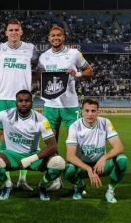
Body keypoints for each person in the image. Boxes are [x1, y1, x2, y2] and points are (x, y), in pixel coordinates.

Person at [0, 90, 65, 201]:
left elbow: (53, 146)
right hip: (11, 155)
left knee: (59, 163)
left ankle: (42, 185)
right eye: (20, 101)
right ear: (16, 102)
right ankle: (8, 185)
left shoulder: (41, 120)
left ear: (32, 102)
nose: (23, 103)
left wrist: (30, 159)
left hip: (33, 155)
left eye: (27, 101)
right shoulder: (6, 114)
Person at [38, 25, 94, 191]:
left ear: (63, 38)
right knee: (51, 144)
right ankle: (55, 179)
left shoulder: (74, 54)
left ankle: (75, 179)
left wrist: (77, 74)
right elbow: (40, 76)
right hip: (50, 105)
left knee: (74, 143)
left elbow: (90, 71)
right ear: (49, 38)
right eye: (53, 35)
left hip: (70, 105)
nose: (56, 38)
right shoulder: (43, 57)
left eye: (59, 35)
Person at [0, 19, 39, 191]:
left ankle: (22, 178)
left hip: (24, 98)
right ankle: (7, 179)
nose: (13, 32)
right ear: (6, 33)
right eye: (10, 30)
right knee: (3, 138)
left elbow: (38, 67)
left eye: (16, 30)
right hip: (4, 97)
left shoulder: (31, 49)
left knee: (26, 137)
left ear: (21, 32)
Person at [64, 98, 128, 203]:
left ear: (98, 111)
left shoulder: (105, 122)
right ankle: (80, 186)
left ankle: (110, 190)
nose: (90, 114)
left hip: (100, 166)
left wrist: (104, 157)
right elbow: (70, 156)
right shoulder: (74, 127)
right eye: (87, 111)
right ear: (82, 112)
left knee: (122, 160)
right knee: (68, 170)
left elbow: (119, 147)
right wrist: (89, 169)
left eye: (93, 111)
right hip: (82, 167)